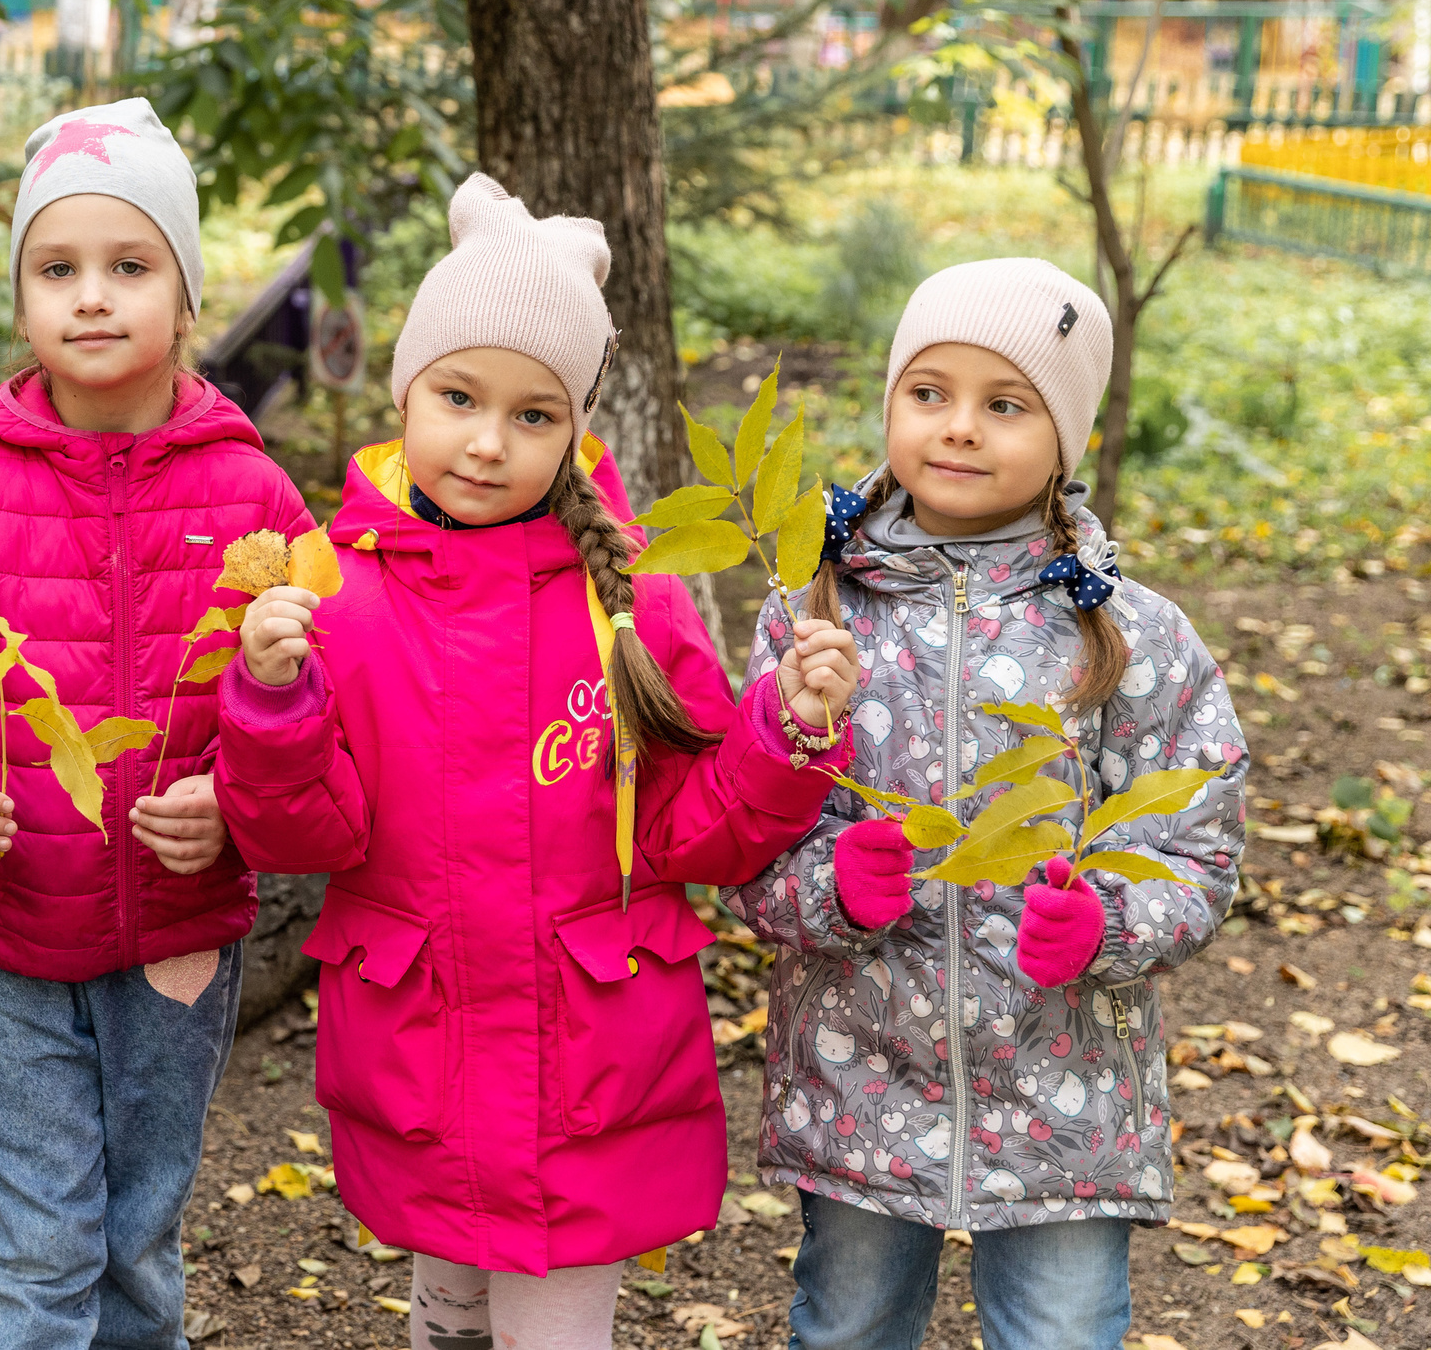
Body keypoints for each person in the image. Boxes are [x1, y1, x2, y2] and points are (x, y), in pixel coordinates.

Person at [214, 174, 861, 1350]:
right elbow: (301, 834)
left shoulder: (635, 604)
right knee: (450, 1304)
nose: (485, 441)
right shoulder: (331, 593)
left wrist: (789, 732)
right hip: (425, 1049)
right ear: (405, 389)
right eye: (458, 396)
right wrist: (269, 701)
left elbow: (696, 832)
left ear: (574, 430)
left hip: (589, 1062)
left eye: (531, 415)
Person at [0, 98, 315, 1350]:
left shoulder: (255, 497)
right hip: (10, 927)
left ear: (187, 295)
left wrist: (236, 799)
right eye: (56, 269)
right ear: (20, 302)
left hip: (180, 938)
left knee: (138, 1232)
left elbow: (315, 704)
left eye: (130, 266)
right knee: (34, 1230)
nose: (93, 297)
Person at [723, 257, 1249, 1350]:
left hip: (1066, 1090)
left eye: (1005, 404)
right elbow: (744, 832)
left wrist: (1109, 923)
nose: (959, 426)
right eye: (929, 392)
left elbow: (1197, 842)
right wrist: (831, 887)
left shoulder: (1130, 634)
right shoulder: (814, 614)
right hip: (862, 1084)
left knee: (1060, 1331)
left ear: (1066, 440)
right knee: (849, 1325)